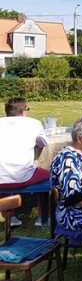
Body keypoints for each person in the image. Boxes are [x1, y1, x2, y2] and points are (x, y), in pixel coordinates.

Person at [0, 97, 50, 227]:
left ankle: (10, 215)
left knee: (3, 172)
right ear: (23, 111)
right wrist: (35, 160)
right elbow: (42, 143)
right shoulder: (33, 123)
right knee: (50, 177)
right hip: (23, 176)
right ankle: (42, 216)